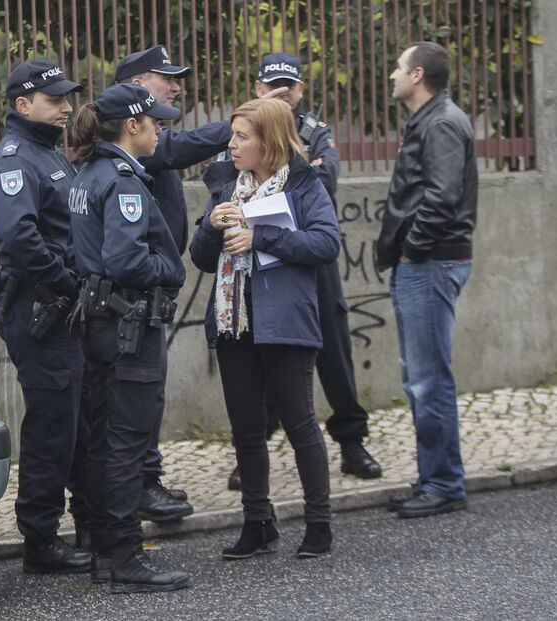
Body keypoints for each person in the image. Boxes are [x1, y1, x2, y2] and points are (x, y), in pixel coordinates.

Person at [189, 98, 340, 559]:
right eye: (232, 136)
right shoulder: (224, 186)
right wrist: (212, 229)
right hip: (234, 322)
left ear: (268, 141)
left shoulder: (303, 183)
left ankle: (319, 523)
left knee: (299, 423)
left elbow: (327, 242)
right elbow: (200, 259)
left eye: (241, 137)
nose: (230, 145)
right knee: (246, 429)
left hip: (285, 321)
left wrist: (262, 237)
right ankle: (258, 522)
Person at [226, 53, 383, 492]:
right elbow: (225, 173)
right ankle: (253, 453)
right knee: (262, 355)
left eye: (289, 87)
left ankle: (352, 441)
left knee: (333, 351)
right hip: (260, 264)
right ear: (258, 89)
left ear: (300, 90)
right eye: (272, 86)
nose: (282, 93)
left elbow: (323, 181)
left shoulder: (314, 130)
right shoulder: (244, 129)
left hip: (310, 257)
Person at [69, 83, 190, 592]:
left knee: (103, 442)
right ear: (132, 126)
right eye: (155, 122)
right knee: (126, 445)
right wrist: (173, 267)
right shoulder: (122, 182)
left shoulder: (89, 173)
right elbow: (127, 260)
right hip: (128, 328)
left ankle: (103, 552)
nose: (160, 130)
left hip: (101, 327)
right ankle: (125, 558)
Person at [110, 45, 235, 523]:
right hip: (135, 293)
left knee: (148, 389)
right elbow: (176, 150)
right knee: (139, 391)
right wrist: (238, 123)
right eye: (167, 78)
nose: (177, 85)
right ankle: (138, 486)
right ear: (138, 87)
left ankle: (146, 479)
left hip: (149, 289)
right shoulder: (131, 136)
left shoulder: (144, 133)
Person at [0, 60, 91, 573]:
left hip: (59, 303)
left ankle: (86, 521)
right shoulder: (15, 161)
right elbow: (19, 239)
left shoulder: (48, 153)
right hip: (38, 305)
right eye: (54, 99)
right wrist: (66, 281)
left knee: (73, 419)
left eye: (67, 97)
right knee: (52, 423)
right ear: (23, 105)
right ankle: (40, 541)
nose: (66, 107)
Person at [377, 42, 478, 518]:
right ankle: (433, 478)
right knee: (419, 376)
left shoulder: (440, 123)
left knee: (429, 379)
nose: (391, 75)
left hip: (432, 262)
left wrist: (413, 250)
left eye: (398, 68)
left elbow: (441, 197)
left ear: (417, 75)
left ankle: (443, 483)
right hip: (424, 261)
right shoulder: (430, 120)